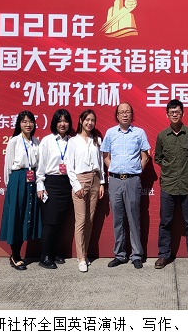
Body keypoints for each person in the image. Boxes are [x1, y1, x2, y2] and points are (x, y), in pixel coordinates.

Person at [153, 99, 188, 270]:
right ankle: (163, 255)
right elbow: (158, 158)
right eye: (171, 112)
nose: (174, 114)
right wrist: (170, 170)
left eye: (177, 111)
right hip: (168, 185)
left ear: (183, 113)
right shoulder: (162, 136)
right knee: (165, 222)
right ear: (167, 115)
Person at [100, 102, 151, 269]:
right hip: (115, 180)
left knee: (134, 218)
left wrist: (135, 171)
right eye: (121, 112)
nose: (124, 114)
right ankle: (120, 254)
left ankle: (136, 255)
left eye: (127, 112)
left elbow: (145, 156)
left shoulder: (139, 133)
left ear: (131, 115)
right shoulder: (110, 133)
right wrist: (114, 170)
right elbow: (106, 156)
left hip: (132, 180)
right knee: (118, 219)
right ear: (117, 115)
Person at [0, 110, 41, 270]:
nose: (28, 124)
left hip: (32, 180)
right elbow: (8, 167)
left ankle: (18, 253)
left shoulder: (36, 142)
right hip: (17, 180)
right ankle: (15, 255)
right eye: (24, 121)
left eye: (30, 121)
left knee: (27, 217)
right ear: (19, 124)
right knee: (16, 216)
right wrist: (11, 187)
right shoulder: (14, 141)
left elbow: (38, 164)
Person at [65, 109, 106, 273]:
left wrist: (102, 182)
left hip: (95, 179)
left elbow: (101, 163)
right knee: (81, 220)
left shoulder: (97, 140)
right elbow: (69, 166)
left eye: (93, 120)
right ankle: (81, 257)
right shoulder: (73, 141)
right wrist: (76, 186)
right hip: (80, 180)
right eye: (87, 119)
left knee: (90, 220)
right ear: (81, 121)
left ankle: (85, 253)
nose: (90, 123)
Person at [35, 109, 74, 269]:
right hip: (51, 183)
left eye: (65, 121)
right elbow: (40, 165)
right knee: (50, 221)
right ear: (54, 123)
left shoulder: (72, 141)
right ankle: (44, 256)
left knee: (60, 222)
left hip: (67, 183)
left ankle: (54, 252)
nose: (62, 124)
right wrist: (40, 185)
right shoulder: (47, 141)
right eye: (59, 121)